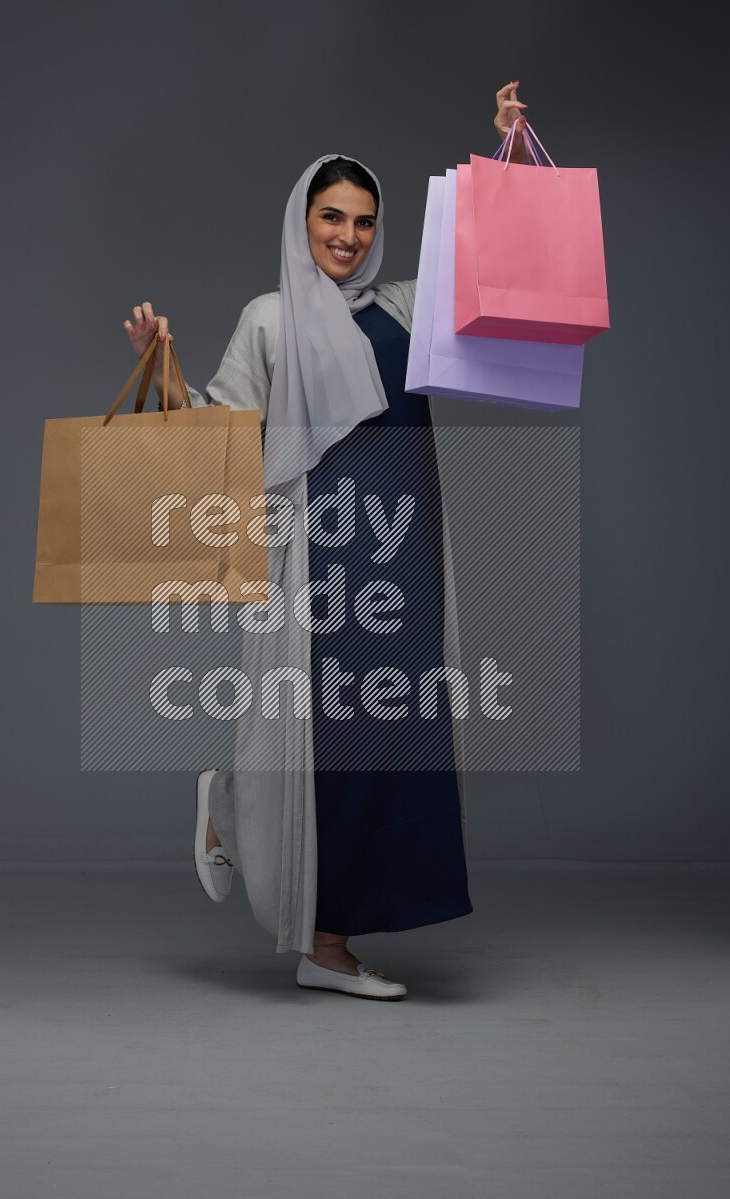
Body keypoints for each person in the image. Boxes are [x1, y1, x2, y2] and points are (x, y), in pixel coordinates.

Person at [123, 83, 528, 1001]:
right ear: (303, 219)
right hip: (316, 553)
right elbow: (215, 429)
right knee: (329, 735)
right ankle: (320, 933)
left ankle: (302, 898)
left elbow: (493, 268)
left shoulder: (406, 307)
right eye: (330, 217)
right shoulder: (270, 318)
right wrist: (162, 360)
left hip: (404, 551)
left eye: (362, 220)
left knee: (394, 732)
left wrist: (504, 150)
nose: (346, 235)